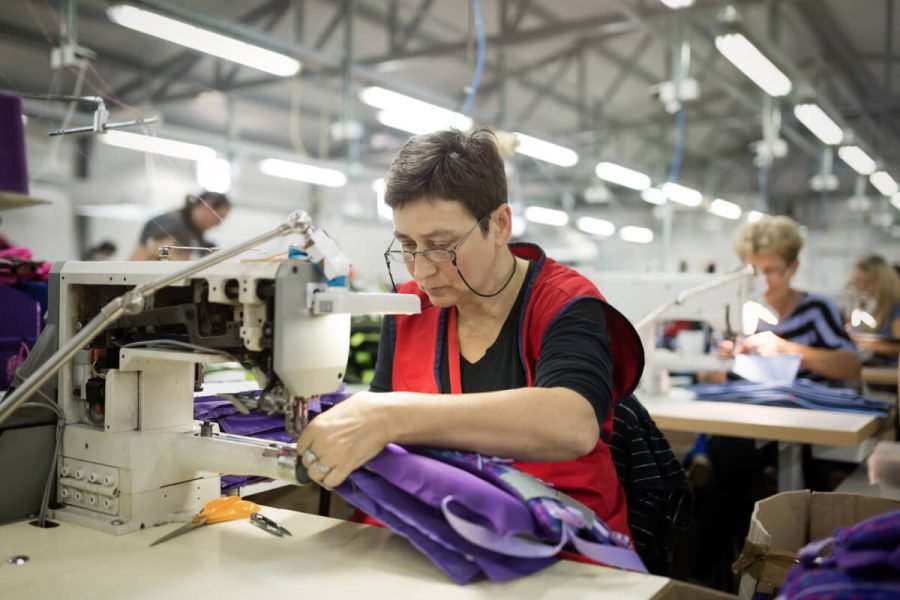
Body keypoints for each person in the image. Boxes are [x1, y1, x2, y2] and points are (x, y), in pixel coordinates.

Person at [294, 128, 644, 543]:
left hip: (561, 540)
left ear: (499, 225)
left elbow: (572, 424)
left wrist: (389, 416)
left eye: (440, 245)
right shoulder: (408, 305)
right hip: (440, 528)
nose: (421, 271)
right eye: (407, 245)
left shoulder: (566, 302)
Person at [693, 215, 861, 591]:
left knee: (790, 475)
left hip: (807, 426)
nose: (762, 280)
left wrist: (786, 348)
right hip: (746, 420)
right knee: (727, 462)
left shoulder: (816, 310)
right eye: (752, 270)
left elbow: (850, 364)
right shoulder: (734, 308)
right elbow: (706, 373)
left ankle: (785, 572)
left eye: (771, 270)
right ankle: (723, 575)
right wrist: (720, 362)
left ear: (793, 267)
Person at [130, 191, 230, 260]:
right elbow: (139, 260)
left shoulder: (197, 232)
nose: (218, 225)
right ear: (207, 206)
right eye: (219, 218)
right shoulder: (167, 224)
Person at [848, 253, 900, 339]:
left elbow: (897, 344)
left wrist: (862, 341)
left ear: (884, 281)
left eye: (868, 281)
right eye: (858, 281)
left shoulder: (896, 306)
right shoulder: (866, 305)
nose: (862, 287)